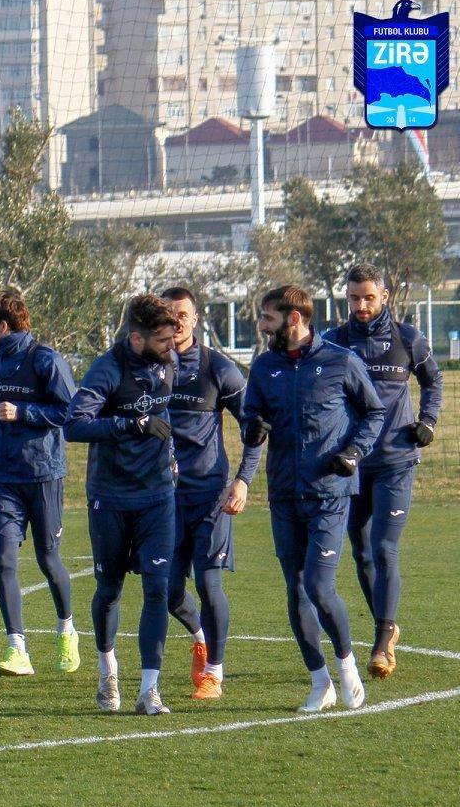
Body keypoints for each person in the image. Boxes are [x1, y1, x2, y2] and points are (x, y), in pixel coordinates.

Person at [241, 285, 386, 712]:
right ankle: (320, 680)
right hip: (284, 493)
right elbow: (251, 418)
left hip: (329, 493)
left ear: (293, 319)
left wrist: (354, 453)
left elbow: (374, 412)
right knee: (296, 588)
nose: (262, 325)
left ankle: (346, 665)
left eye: (268, 318)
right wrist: (253, 429)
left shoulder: (341, 360)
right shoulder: (264, 366)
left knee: (320, 587)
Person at [320, 262, 442, 678]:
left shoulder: (408, 338)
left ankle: (382, 640)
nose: (361, 305)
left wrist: (428, 422)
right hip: (351, 465)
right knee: (362, 552)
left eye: (369, 297)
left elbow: (433, 381)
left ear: (384, 296)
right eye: (354, 298)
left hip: (396, 461)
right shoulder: (334, 342)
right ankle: (387, 627)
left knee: (384, 547)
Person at [65, 295, 181, 715]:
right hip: (111, 497)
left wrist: (172, 454)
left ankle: (150, 690)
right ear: (136, 339)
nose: (172, 346)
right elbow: (74, 426)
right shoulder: (106, 370)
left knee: (157, 588)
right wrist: (131, 424)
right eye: (163, 340)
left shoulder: (169, 362)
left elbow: (167, 414)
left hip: (158, 495)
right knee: (110, 589)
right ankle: (107, 670)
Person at [0, 290, 81, 677]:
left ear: (3, 325)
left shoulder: (45, 359)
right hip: (3, 476)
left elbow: (71, 410)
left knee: (48, 559)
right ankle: (17, 648)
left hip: (43, 473)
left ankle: (67, 630)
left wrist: (23, 412)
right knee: (4, 558)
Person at [158, 286, 259, 700]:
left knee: (209, 583)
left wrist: (243, 480)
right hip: (163, 498)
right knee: (167, 591)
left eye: (183, 314)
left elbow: (254, 428)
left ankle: (214, 672)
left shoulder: (218, 368)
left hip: (210, 495)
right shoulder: (149, 367)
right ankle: (201, 637)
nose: (176, 321)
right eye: (169, 315)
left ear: (195, 319)